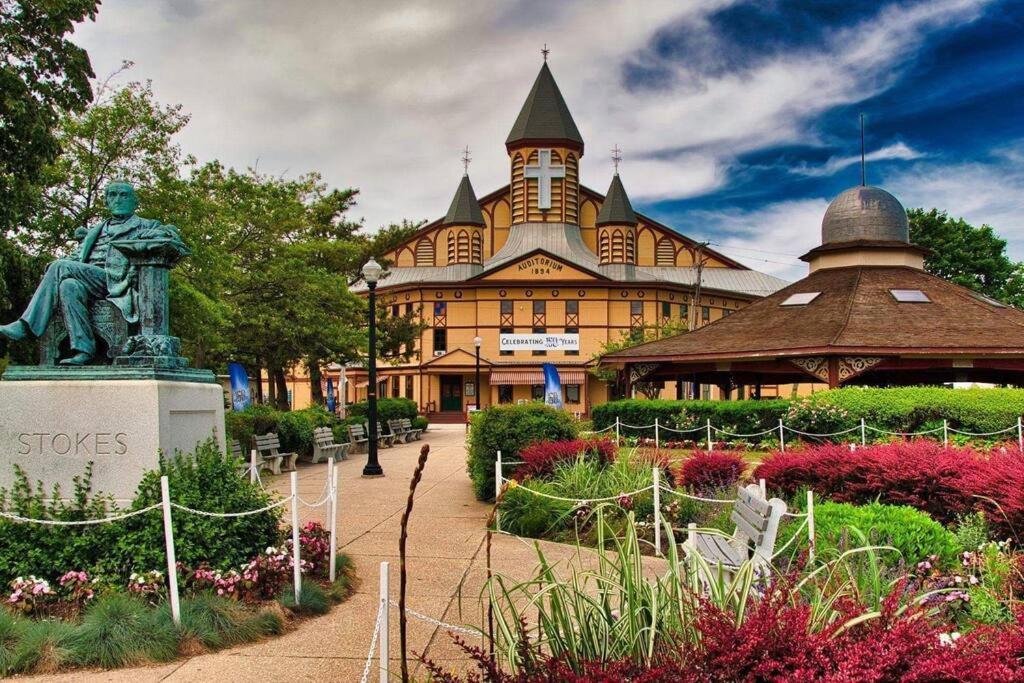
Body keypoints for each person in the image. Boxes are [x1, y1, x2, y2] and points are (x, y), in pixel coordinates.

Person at [0, 181, 181, 365]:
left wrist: (153, 236)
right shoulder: (95, 231)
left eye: (123, 195)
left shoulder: (145, 225)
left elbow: (172, 235)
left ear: (135, 202)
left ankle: (26, 326)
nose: (117, 199)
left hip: (117, 282)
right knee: (68, 285)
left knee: (60, 266)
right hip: (89, 283)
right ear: (106, 202)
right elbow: (75, 257)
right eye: (112, 195)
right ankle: (84, 349)